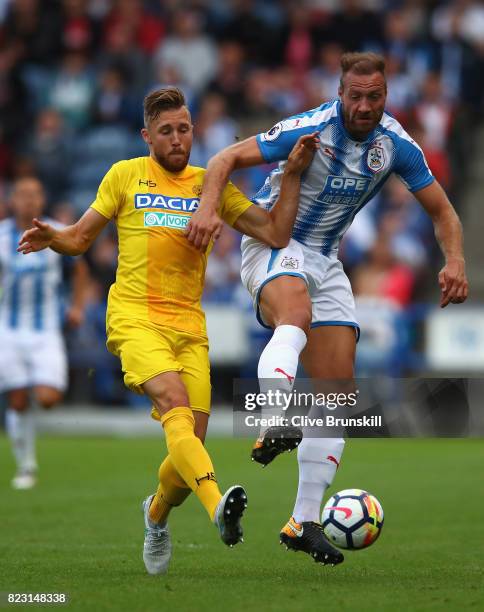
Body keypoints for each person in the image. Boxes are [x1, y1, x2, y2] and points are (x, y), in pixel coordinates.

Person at [17, 87, 318, 575]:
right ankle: (219, 505)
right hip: (134, 317)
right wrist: (55, 238)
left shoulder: (210, 186)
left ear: (193, 130)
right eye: (166, 131)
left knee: (188, 447)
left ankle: (155, 514)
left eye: (184, 129)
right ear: (146, 136)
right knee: (175, 403)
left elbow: (276, 234)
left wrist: (295, 176)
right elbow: (79, 238)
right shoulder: (125, 175)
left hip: (189, 326)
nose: (177, 139)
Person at [185, 52, 469, 566]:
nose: (363, 106)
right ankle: (275, 416)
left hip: (326, 259)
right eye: (354, 96)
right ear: (339, 93)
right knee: (295, 315)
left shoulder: (395, 145)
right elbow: (223, 159)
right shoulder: (309, 128)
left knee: (337, 396)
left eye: (374, 97)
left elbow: (443, 210)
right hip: (275, 243)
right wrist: (208, 209)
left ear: (386, 95)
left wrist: (455, 260)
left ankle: (303, 521)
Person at [0, 177, 89, 490]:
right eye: (22, 194)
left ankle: (28, 426)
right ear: (12, 200)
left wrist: (77, 307)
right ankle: (26, 465)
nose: (28, 200)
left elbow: (79, 269)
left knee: (48, 397)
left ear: (42, 199)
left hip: (46, 330)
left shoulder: (57, 231)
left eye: (34, 194)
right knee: (18, 397)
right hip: (8, 329)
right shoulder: (1, 237)